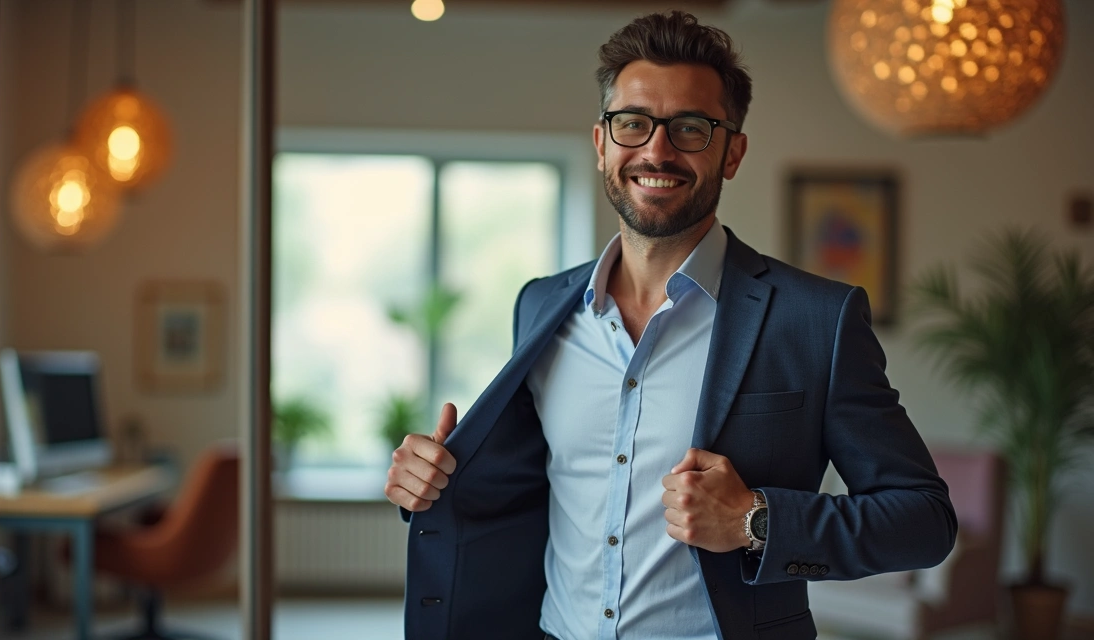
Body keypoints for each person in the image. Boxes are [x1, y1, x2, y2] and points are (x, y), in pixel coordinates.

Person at [384, 11, 956, 640]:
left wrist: (755, 521)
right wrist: (433, 479)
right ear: (601, 143)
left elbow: (924, 520)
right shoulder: (540, 304)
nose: (656, 151)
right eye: (632, 123)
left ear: (732, 152)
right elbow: (522, 491)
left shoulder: (817, 319)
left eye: (690, 128)